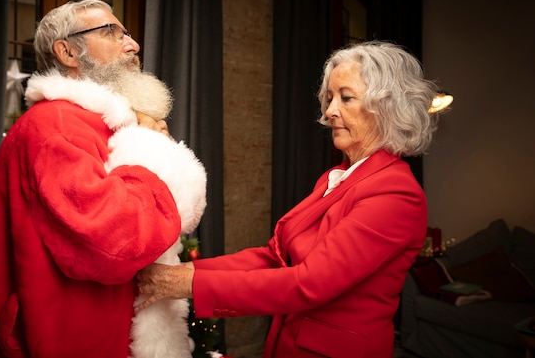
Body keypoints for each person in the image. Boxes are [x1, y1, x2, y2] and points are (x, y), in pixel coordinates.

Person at [136, 40, 440, 358]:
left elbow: (309, 283)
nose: (330, 110)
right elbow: (272, 256)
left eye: (346, 98)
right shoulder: (337, 176)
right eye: (330, 97)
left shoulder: (396, 193)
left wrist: (186, 285)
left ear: (387, 107)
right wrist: (189, 272)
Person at [0, 0, 207, 358]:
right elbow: (115, 243)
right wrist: (152, 151)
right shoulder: (56, 126)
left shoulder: (97, 122)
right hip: (76, 334)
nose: (133, 45)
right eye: (111, 32)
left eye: (129, 33)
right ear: (67, 52)